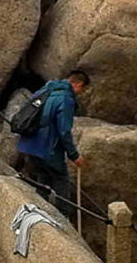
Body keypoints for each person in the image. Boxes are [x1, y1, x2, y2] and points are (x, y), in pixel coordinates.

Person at [13, 69, 88, 223]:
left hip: (30, 144)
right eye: (82, 89)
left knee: (43, 177)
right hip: (48, 148)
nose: (81, 93)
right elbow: (64, 131)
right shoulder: (66, 99)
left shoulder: (47, 88)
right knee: (61, 179)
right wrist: (74, 155)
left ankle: (38, 211)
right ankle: (63, 219)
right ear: (78, 84)